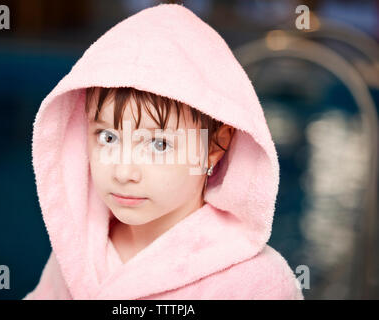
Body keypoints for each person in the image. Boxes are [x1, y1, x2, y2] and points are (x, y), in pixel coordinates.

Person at [23, 3, 304, 300]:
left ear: (214, 146)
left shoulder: (258, 285)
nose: (123, 172)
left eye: (159, 144)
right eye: (107, 137)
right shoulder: (76, 252)